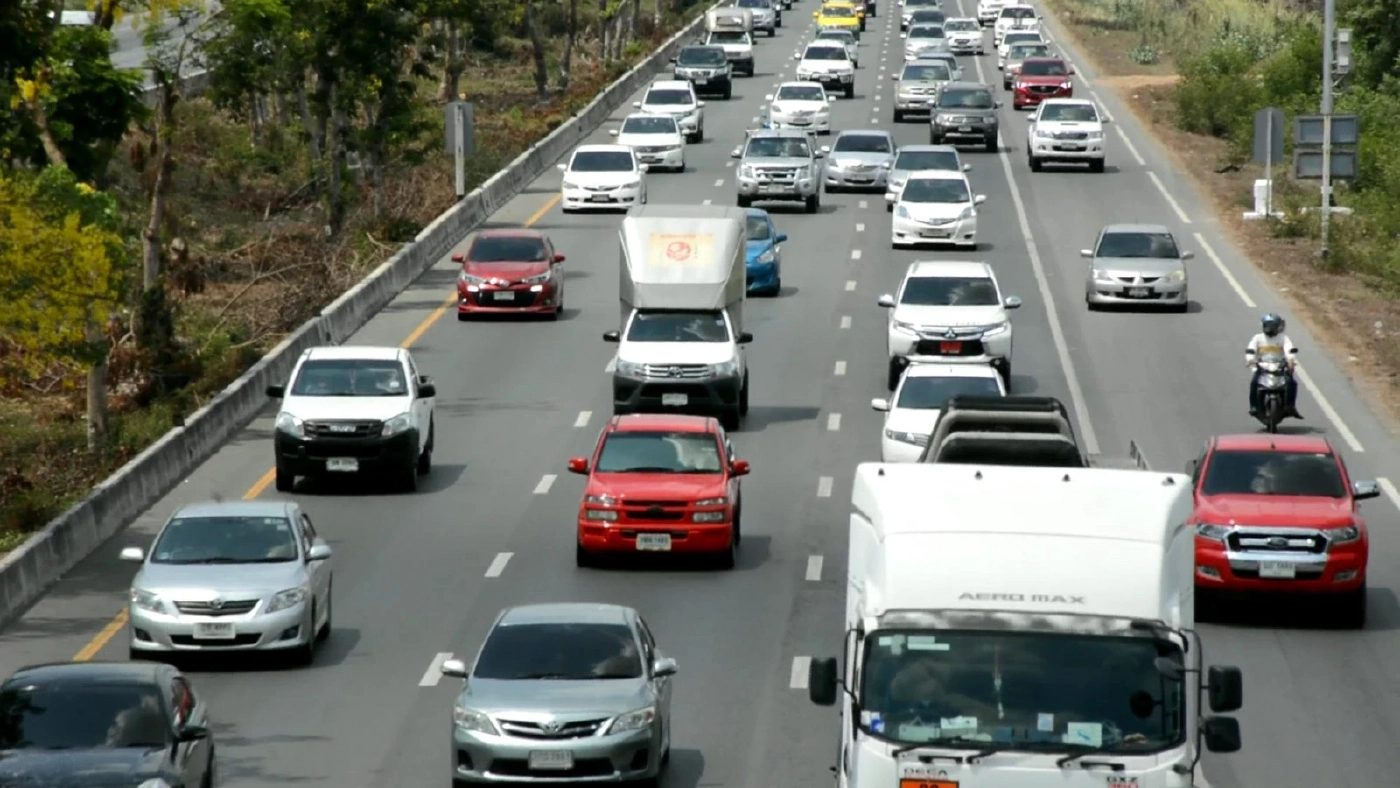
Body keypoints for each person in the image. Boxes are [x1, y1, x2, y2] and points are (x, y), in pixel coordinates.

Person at [1245, 313, 1301, 418]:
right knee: (1254, 383)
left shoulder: (1283, 338)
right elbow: (1251, 349)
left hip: (1280, 366)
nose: (1270, 328)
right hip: (1262, 366)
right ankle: (1253, 407)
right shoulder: (1258, 338)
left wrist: (1290, 360)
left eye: (1273, 325)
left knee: (1291, 383)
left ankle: (1290, 406)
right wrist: (1250, 360)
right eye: (1268, 325)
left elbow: (1289, 349)